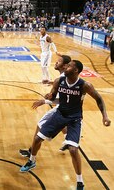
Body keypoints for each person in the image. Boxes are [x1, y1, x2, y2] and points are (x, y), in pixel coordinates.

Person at [20, 60, 111, 190]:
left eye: (69, 66)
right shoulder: (59, 81)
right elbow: (53, 97)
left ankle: (80, 182)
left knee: (73, 150)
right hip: (59, 114)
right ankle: (32, 161)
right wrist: (48, 98)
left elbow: (99, 99)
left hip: (74, 119)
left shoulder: (85, 85)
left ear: (76, 71)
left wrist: (105, 116)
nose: (65, 67)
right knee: (37, 138)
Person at [19, 55, 71, 158]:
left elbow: (62, 100)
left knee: (40, 129)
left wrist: (45, 101)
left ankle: (31, 155)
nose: (56, 62)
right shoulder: (64, 77)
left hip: (62, 109)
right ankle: (68, 141)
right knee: (47, 126)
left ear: (65, 66)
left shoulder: (63, 79)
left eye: (59, 61)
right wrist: (51, 82)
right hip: (65, 109)